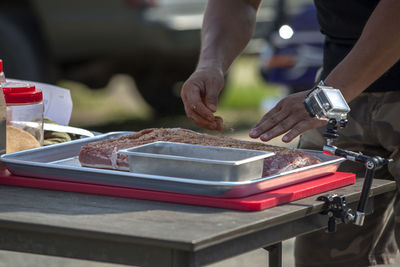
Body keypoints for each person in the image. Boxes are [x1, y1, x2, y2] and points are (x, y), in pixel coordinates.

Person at [180, 0, 400, 266]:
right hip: (338, 95)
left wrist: (328, 94)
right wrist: (210, 64)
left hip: (336, 90)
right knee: (323, 256)